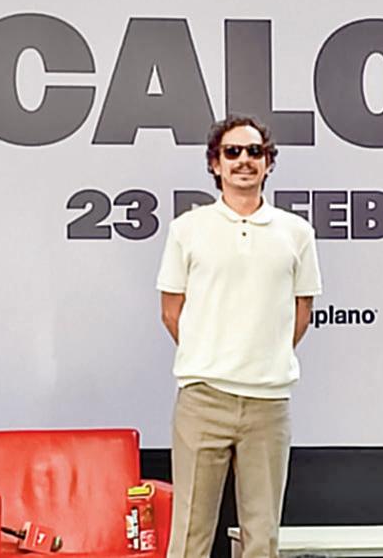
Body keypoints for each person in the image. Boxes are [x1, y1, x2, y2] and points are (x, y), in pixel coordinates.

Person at [157, 115, 321, 558]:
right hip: (202, 399)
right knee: (189, 537)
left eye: (254, 152)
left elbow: (301, 312)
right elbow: (171, 311)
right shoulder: (187, 229)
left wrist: (261, 356)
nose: (244, 160)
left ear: (268, 163)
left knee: (262, 537)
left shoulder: (297, 232)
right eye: (232, 152)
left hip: (269, 402)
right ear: (215, 164)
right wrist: (210, 354)